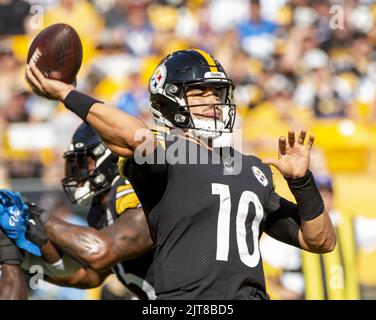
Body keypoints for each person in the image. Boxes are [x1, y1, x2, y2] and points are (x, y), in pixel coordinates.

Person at [25, 48, 336, 300]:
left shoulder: (251, 167)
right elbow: (135, 136)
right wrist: (68, 93)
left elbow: (321, 241)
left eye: (217, 93)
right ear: (168, 100)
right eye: (200, 93)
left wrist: (301, 182)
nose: (213, 102)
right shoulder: (168, 157)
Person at [0, 123, 155, 300]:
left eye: (82, 163)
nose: (76, 173)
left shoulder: (134, 189)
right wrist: (19, 255)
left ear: (108, 157)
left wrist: (29, 212)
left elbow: (100, 252)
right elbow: (89, 275)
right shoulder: (99, 211)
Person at [261, 174, 376, 300]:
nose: (324, 198)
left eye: (327, 193)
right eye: (319, 193)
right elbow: (266, 259)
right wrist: (280, 290)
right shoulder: (296, 224)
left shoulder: (350, 224)